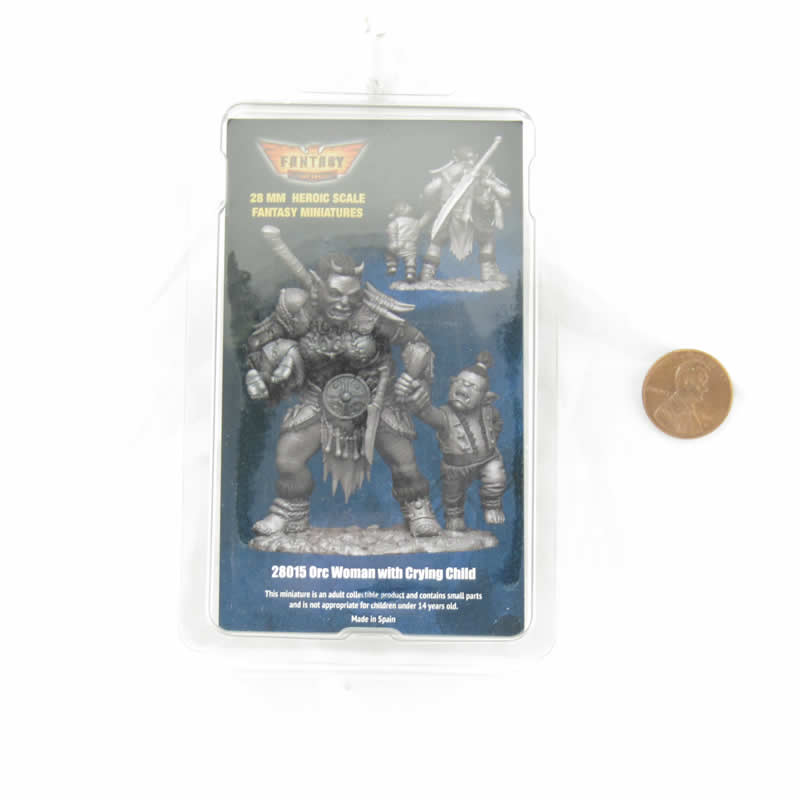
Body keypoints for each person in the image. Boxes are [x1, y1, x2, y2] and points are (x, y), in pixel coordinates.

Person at [245, 241, 441, 544]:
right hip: (319, 398)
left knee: (404, 462)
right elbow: (258, 345)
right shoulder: (298, 311)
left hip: (375, 399)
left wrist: (413, 377)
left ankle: (418, 508)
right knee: (288, 459)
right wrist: (264, 367)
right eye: (335, 294)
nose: (344, 303)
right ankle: (289, 511)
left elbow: (417, 342)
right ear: (318, 288)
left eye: (352, 296)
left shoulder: (372, 316)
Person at [397, 351, 507, 531]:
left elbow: (497, 423)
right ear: (451, 385)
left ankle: (492, 505)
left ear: (485, 397)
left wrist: (491, 438)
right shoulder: (445, 415)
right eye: (460, 382)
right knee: (452, 494)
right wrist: (418, 403)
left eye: (473, 387)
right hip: (454, 466)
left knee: (496, 477)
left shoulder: (489, 411)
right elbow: (427, 413)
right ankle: (454, 517)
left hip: (488, 458)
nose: (465, 387)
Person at [420, 145, 511, 282]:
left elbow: (505, 194)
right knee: (437, 241)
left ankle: (487, 274)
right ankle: (426, 274)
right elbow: (429, 191)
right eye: (467, 159)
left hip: (474, 214)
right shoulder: (447, 174)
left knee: (486, 240)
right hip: (450, 214)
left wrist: (491, 185)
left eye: (472, 158)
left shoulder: (482, 174)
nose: (470, 162)